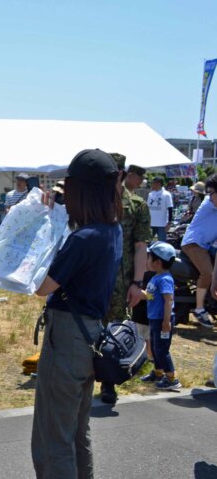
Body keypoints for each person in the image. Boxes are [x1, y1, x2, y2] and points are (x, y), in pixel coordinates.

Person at [27, 148, 122, 479]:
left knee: (53, 441)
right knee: (75, 436)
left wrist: (46, 228)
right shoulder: (109, 229)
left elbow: (42, 286)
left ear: (83, 191)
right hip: (90, 336)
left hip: (67, 338)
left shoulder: (83, 238)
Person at [99, 154, 151, 405]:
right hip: (92, 278)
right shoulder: (94, 200)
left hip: (121, 282)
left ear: (121, 173)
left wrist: (137, 284)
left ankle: (108, 384)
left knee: (115, 332)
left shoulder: (137, 205)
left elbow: (141, 246)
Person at [139, 242, 180, 390]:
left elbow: (168, 300)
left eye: (149, 258)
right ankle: (158, 373)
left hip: (162, 320)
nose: (147, 260)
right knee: (156, 348)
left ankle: (171, 379)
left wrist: (166, 321)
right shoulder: (156, 277)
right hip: (154, 318)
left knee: (162, 350)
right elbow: (152, 296)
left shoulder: (165, 279)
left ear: (157, 262)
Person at [180, 173, 217, 328]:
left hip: (206, 245)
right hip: (194, 243)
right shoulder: (210, 203)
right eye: (211, 193)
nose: (211, 195)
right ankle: (199, 309)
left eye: (212, 192)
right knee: (207, 273)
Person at [146, 176, 173, 242]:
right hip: (151, 223)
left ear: (158, 184)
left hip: (162, 224)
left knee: (162, 243)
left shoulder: (166, 194)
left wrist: (169, 223)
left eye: (153, 183)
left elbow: (170, 208)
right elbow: (147, 208)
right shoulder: (150, 194)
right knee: (147, 242)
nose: (152, 184)